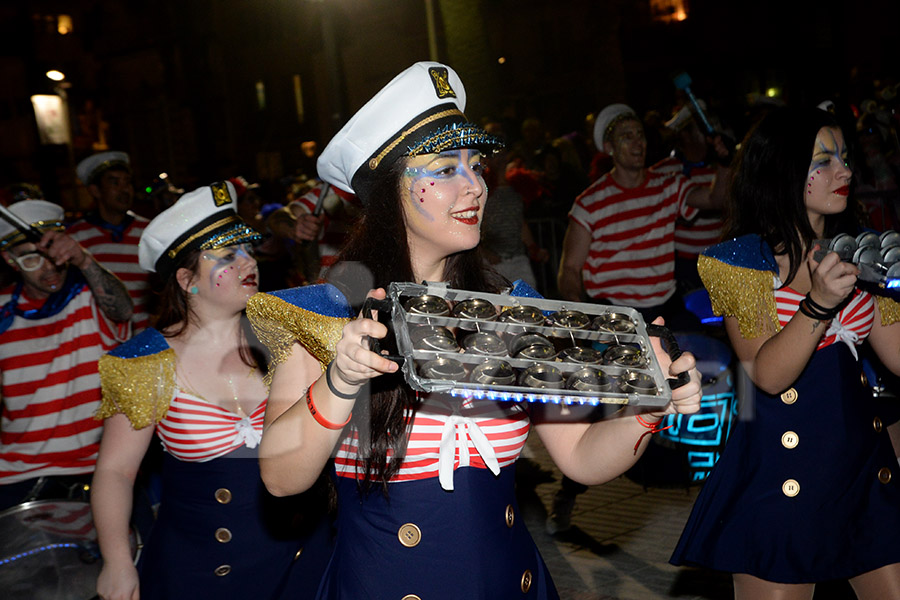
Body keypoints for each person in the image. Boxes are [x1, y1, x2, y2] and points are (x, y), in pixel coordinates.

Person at [248, 61, 703, 599]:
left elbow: (581, 455)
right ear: (390, 190)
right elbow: (281, 478)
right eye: (445, 168)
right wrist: (341, 380)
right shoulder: (320, 316)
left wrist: (647, 412)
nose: (475, 186)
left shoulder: (515, 313)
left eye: (477, 166)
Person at [670, 106, 900, 598]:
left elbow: (898, 356)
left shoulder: (859, 253)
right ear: (784, 169)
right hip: (782, 472)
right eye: (824, 160)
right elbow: (769, 375)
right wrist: (818, 303)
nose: (844, 170)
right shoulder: (742, 261)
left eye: (844, 156)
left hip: (860, 466)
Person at [91, 181, 330, 600]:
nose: (246, 262)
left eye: (248, 250)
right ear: (187, 280)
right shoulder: (147, 361)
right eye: (226, 255)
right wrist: (117, 562)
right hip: (199, 571)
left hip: (301, 558)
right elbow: (115, 471)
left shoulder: (288, 336)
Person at [549, 102, 730, 533]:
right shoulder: (589, 201)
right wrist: (582, 318)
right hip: (617, 317)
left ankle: (711, 484)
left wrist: (723, 162)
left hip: (663, 313)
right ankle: (569, 488)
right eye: (626, 136)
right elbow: (569, 269)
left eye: (640, 134)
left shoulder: (668, 186)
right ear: (609, 147)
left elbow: (717, 198)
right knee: (603, 407)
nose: (638, 143)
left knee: (699, 386)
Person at [0, 199, 132, 511]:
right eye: (31, 259)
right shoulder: (2, 311)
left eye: (53, 257)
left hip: (93, 468)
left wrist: (85, 261)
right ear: (9, 259)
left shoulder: (87, 299)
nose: (48, 268)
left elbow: (123, 310)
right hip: (15, 472)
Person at [70, 151, 152, 332]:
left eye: (127, 182)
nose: (124, 190)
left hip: (143, 339)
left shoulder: (149, 231)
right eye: (114, 182)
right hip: (97, 338)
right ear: (95, 190)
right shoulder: (75, 237)